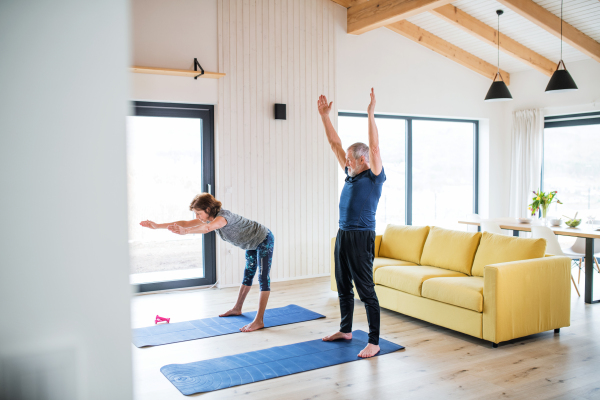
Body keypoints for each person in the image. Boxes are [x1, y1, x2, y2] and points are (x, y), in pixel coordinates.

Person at [140, 193, 274, 332]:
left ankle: (259, 321)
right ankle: (237, 308)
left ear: (208, 209)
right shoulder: (208, 219)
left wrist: (186, 231)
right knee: (248, 275)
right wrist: (157, 226)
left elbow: (207, 228)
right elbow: (185, 223)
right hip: (250, 244)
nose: (197, 217)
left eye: (199, 213)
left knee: (263, 278)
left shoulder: (223, 218)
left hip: (263, 239)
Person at [318, 88, 385, 358]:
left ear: (363, 159)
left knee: (365, 289)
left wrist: (370, 113)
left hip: (361, 236)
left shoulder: (373, 176)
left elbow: (375, 145)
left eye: (349, 158)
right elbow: (335, 144)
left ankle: (374, 340)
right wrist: (324, 117)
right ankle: (346, 330)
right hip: (343, 234)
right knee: (343, 284)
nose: (344, 161)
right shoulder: (351, 173)